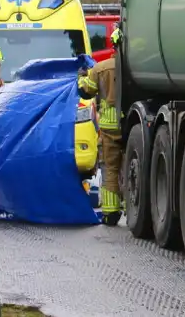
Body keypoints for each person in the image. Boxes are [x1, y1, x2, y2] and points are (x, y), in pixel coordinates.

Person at [78, 24, 123, 224]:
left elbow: (86, 91)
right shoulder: (137, 69)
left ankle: (111, 213)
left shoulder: (101, 68)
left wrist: (81, 78)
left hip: (110, 128)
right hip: (133, 125)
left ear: (113, 45)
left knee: (111, 168)